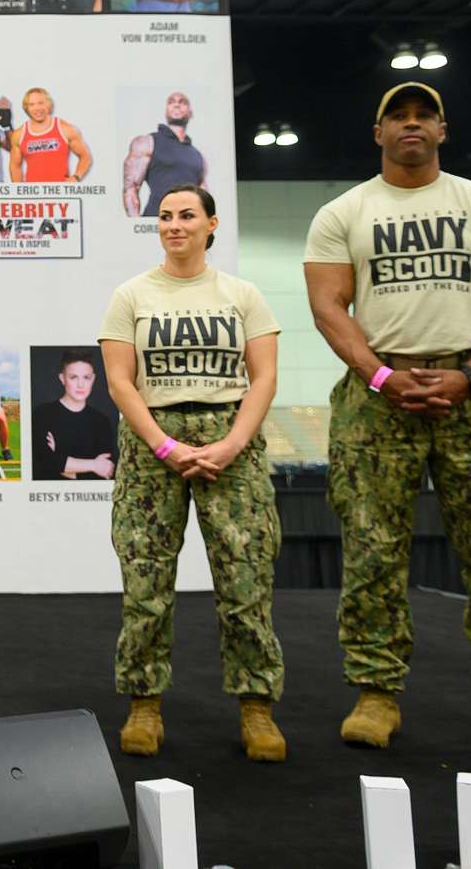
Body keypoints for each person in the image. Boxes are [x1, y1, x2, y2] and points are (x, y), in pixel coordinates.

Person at [303, 82, 471, 759]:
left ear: (443, 130)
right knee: (372, 553)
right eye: (399, 116)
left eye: (424, 115)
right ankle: (375, 692)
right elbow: (329, 306)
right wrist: (382, 375)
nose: (412, 125)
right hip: (377, 394)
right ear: (379, 132)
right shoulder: (343, 212)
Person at [99, 183, 286, 762]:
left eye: (187, 216)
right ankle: (144, 704)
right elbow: (119, 381)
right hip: (154, 444)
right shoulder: (131, 296)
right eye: (165, 216)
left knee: (245, 579)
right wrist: (162, 446)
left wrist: (232, 443)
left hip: (230, 440)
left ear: (212, 224)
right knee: (146, 582)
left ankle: (256, 708)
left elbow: (265, 377)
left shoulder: (243, 294)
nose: (174, 225)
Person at [31, 348, 114, 481]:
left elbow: (107, 471)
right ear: (62, 378)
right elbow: (42, 463)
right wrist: (93, 465)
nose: (80, 384)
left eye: (86, 377)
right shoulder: (41, 415)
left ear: (93, 379)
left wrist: (61, 462)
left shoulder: (101, 421)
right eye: (73, 377)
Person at [124, 91, 207, 218]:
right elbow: (131, 188)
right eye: (171, 102)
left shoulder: (198, 156)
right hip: (155, 223)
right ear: (166, 110)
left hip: (186, 228)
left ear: (191, 112)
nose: (176, 105)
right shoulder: (147, 142)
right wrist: (136, 228)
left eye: (182, 102)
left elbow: (204, 198)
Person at [9, 86, 90, 183]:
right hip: (33, 195)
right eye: (32, 104)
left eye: (41, 103)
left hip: (60, 193)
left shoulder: (66, 129)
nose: (37, 108)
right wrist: (18, 193)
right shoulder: (19, 134)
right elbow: (15, 166)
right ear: (26, 108)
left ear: (48, 104)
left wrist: (76, 177)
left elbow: (85, 156)